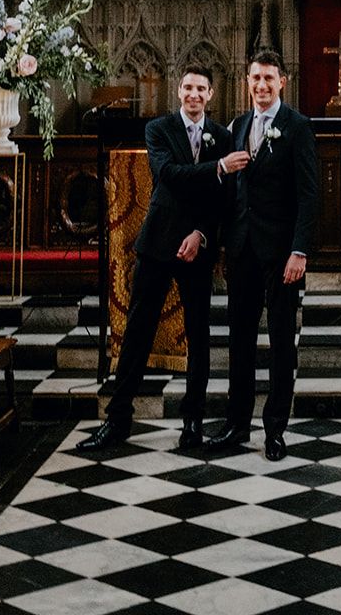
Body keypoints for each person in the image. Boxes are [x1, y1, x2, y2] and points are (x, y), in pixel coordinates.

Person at [76, 68, 232, 455]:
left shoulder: (223, 137)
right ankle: (117, 420)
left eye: (201, 89)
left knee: (199, 337)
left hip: (197, 246)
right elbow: (167, 175)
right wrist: (216, 168)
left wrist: (200, 234)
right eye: (188, 88)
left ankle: (192, 421)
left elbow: (221, 200)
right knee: (137, 332)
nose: (193, 95)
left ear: (210, 94)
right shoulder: (159, 130)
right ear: (178, 90)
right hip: (159, 242)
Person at [205, 49, 318, 461]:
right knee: (240, 340)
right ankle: (237, 424)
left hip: (281, 253)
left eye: (269, 78)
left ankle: (274, 429)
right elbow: (232, 193)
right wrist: (221, 242)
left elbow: (308, 195)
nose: (262, 86)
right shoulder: (237, 126)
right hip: (241, 249)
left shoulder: (297, 127)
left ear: (282, 82)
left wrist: (299, 251)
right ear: (247, 81)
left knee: (281, 342)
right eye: (255, 78)